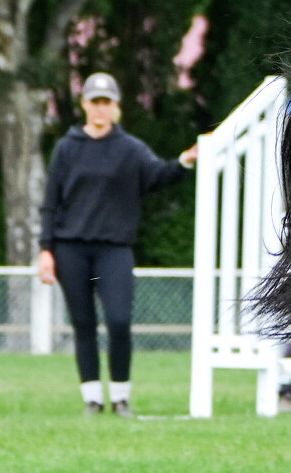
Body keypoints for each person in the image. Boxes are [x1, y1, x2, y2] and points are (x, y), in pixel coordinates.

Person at [36, 73, 196, 415]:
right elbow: (50, 202)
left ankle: (121, 397)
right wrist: (45, 249)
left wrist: (184, 162)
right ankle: (92, 399)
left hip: (113, 250)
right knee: (83, 325)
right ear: (84, 104)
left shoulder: (130, 149)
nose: (100, 108)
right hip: (71, 249)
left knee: (119, 321)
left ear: (116, 106)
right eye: (94, 101)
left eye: (106, 102)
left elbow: (158, 175)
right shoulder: (67, 148)